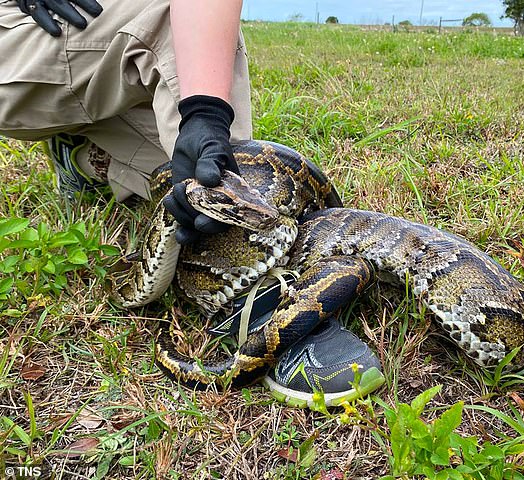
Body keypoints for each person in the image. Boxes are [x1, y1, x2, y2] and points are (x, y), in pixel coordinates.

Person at [0, 0, 385, 407]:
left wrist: (204, 119)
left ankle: (84, 156)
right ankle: (254, 302)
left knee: (185, 157)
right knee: (174, 20)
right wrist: (205, 108)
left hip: (87, 41)